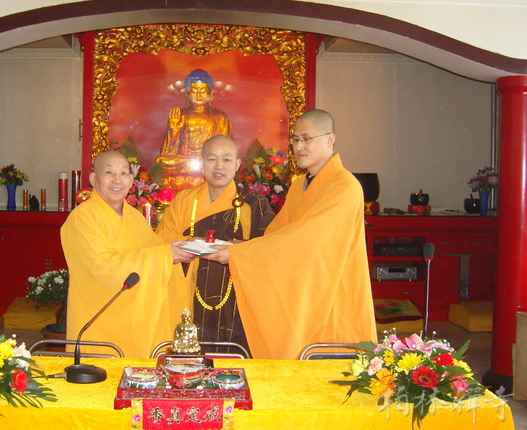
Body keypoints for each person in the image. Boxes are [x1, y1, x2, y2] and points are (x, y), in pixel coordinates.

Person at [203, 110, 377, 359]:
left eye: (307, 139)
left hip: (333, 299)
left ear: (329, 139)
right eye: (295, 140)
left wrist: (239, 254)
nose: (299, 147)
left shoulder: (344, 187)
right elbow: (278, 234)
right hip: (305, 297)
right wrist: (240, 247)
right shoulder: (298, 186)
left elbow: (305, 240)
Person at [60, 151, 194, 358]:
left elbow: (154, 249)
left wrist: (181, 248)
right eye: (109, 173)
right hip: (99, 321)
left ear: (131, 180)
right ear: (93, 179)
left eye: (123, 173)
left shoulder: (135, 217)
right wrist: (166, 255)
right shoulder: (82, 219)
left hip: (136, 321)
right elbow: (102, 269)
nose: (117, 180)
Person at [156, 135, 275, 354]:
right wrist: (188, 243)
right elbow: (162, 238)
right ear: (202, 163)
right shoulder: (184, 200)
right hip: (188, 293)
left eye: (226, 159)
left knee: (233, 359)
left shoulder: (254, 205)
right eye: (212, 159)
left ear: (237, 164)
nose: (219, 166)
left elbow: (269, 248)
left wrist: (236, 251)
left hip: (236, 299)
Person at [156, 70, 232, 175]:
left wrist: (212, 158)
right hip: (185, 159)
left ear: (210, 93)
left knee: (220, 164)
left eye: (203, 91)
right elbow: (167, 152)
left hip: (210, 161)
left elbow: (227, 150)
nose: (198, 95)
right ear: (187, 93)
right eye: (194, 91)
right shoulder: (180, 115)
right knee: (160, 161)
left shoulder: (219, 117)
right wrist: (174, 130)